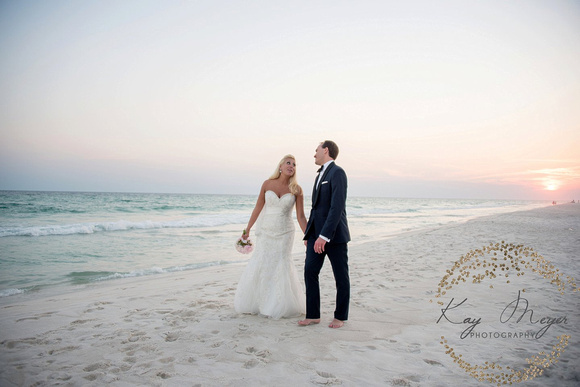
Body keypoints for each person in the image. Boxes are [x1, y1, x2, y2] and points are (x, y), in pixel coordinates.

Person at [234, 155, 308, 319]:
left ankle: (277, 305)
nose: (292, 166)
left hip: (285, 232)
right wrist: (247, 229)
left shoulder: (297, 189)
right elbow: (258, 207)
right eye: (288, 163)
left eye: (294, 164)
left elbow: (301, 216)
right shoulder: (267, 184)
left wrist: (308, 236)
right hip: (266, 231)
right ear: (280, 166)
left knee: (281, 264)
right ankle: (260, 302)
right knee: (264, 262)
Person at [299, 140, 350, 329]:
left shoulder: (338, 173)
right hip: (315, 235)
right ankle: (313, 315)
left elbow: (337, 208)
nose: (314, 154)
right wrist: (309, 234)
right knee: (310, 271)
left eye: (316, 150)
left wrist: (324, 236)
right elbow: (316, 209)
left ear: (326, 150)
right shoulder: (320, 174)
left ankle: (340, 316)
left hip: (334, 237)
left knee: (340, 276)